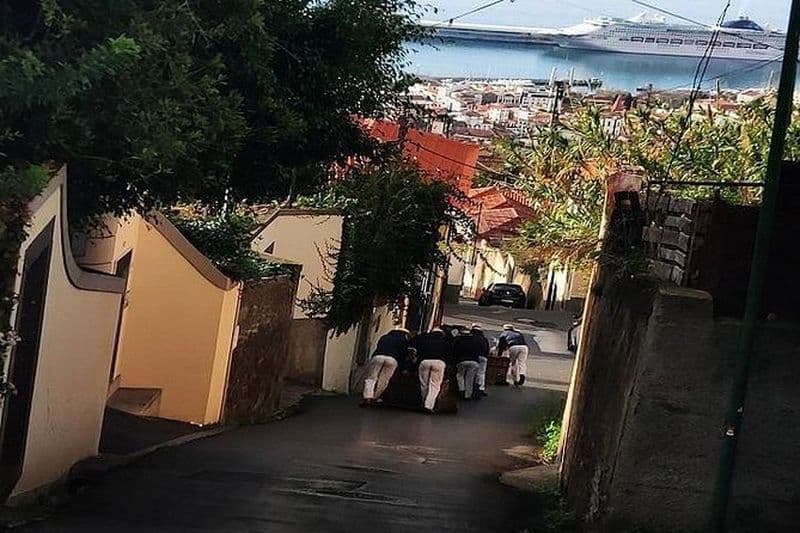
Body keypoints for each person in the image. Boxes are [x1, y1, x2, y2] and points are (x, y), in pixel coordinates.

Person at [361, 327, 411, 405]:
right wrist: (403, 367)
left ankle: (367, 397)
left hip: (378, 356)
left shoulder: (384, 337)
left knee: (371, 378)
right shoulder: (403, 340)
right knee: (384, 380)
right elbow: (403, 354)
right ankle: (375, 397)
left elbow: (378, 346)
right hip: (392, 359)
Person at [411, 327, 451, 412]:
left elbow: (417, 352)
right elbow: (449, 355)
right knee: (435, 385)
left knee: (424, 384)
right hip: (439, 362)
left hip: (424, 362)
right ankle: (428, 405)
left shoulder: (425, 341)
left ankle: (423, 401)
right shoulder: (445, 342)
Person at [453, 328, 480, 400]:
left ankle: (461, 389)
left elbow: (455, 351)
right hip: (474, 361)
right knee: (470, 378)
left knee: (460, 375)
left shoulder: (458, 341)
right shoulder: (475, 341)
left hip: (462, 361)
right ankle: (468, 394)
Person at [471, 324, 490, 397]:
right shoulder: (484, 338)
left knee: (472, 372)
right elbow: (487, 348)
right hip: (483, 357)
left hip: (473, 357)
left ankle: (472, 388)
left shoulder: (471, 338)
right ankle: (481, 388)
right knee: (481, 373)